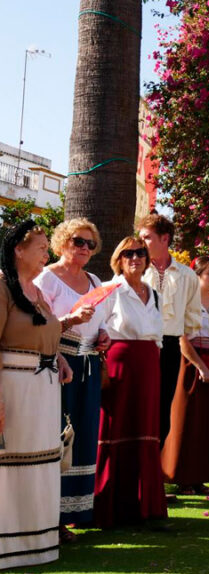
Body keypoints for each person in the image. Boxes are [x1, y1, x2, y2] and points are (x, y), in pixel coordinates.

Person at [0, 221, 71, 569]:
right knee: (10, 462)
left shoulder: (36, 292)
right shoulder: (2, 287)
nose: (48, 253)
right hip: (14, 386)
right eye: (42, 247)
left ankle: (38, 541)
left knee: (42, 460)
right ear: (19, 250)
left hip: (44, 386)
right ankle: (8, 545)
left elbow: (44, 331)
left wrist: (58, 357)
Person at [34, 219, 109, 542]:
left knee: (85, 434)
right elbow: (37, 327)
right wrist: (70, 321)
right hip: (58, 363)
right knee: (59, 436)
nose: (84, 248)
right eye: (79, 241)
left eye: (91, 244)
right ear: (62, 241)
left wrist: (103, 335)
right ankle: (53, 517)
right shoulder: (46, 279)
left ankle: (78, 511)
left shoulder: (94, 279)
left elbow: (101, 322)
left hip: (89, 363)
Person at [94, 236, 167, 528]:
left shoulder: (154, 293)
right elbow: (96, 326)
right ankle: (108, 508)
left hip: (149, 364)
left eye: (140, 253)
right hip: (119, 363)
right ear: (118, 259)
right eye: (128, 254)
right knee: (115, 428)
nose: (135, 258)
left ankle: (146, 508)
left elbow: (158, 332)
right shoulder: (109, 289)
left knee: (147, 430)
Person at [162, 256, 209, 494]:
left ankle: (201, 477)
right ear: (197, 276)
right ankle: (181, 477)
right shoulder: (185, 301)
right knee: (187, 421)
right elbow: (181, 336)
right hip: (191, 364)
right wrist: (201, 367)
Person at [138, 214, 202, 448]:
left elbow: (193, 317)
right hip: (140, 345)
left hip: (171, 345)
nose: (141, 242)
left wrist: (179, 342)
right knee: (139, 406)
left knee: (164, 406)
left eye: (147, 237)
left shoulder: (187, 275)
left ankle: (155, 468)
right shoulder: (135, 270)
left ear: (164, 238)